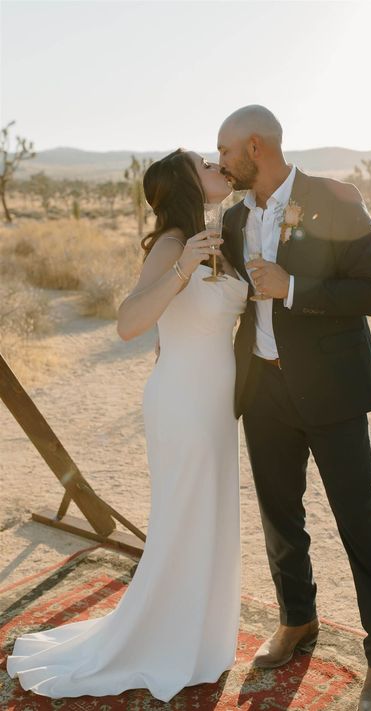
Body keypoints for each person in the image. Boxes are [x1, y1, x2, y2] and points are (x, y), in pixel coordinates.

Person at [6, 149, 248, 702]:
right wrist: (184, 267)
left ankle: (201, 636)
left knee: (207, 516)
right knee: (184, 517)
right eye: (204, 162)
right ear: (188, 183)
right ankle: (162, 639)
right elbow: (128, 323)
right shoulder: (171, 244)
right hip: (183, 404)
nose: (217, 164)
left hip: (212, 403)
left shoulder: (219, 235)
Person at [217, 105, 371, 711]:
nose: (220, 161)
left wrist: (291, 289)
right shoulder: (234, 218)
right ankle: (298, 621)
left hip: (333, 392)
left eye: (224, 151)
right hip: (264, 391)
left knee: (359, 523)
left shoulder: (337, 199)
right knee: (279, 518)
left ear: (254, 147)